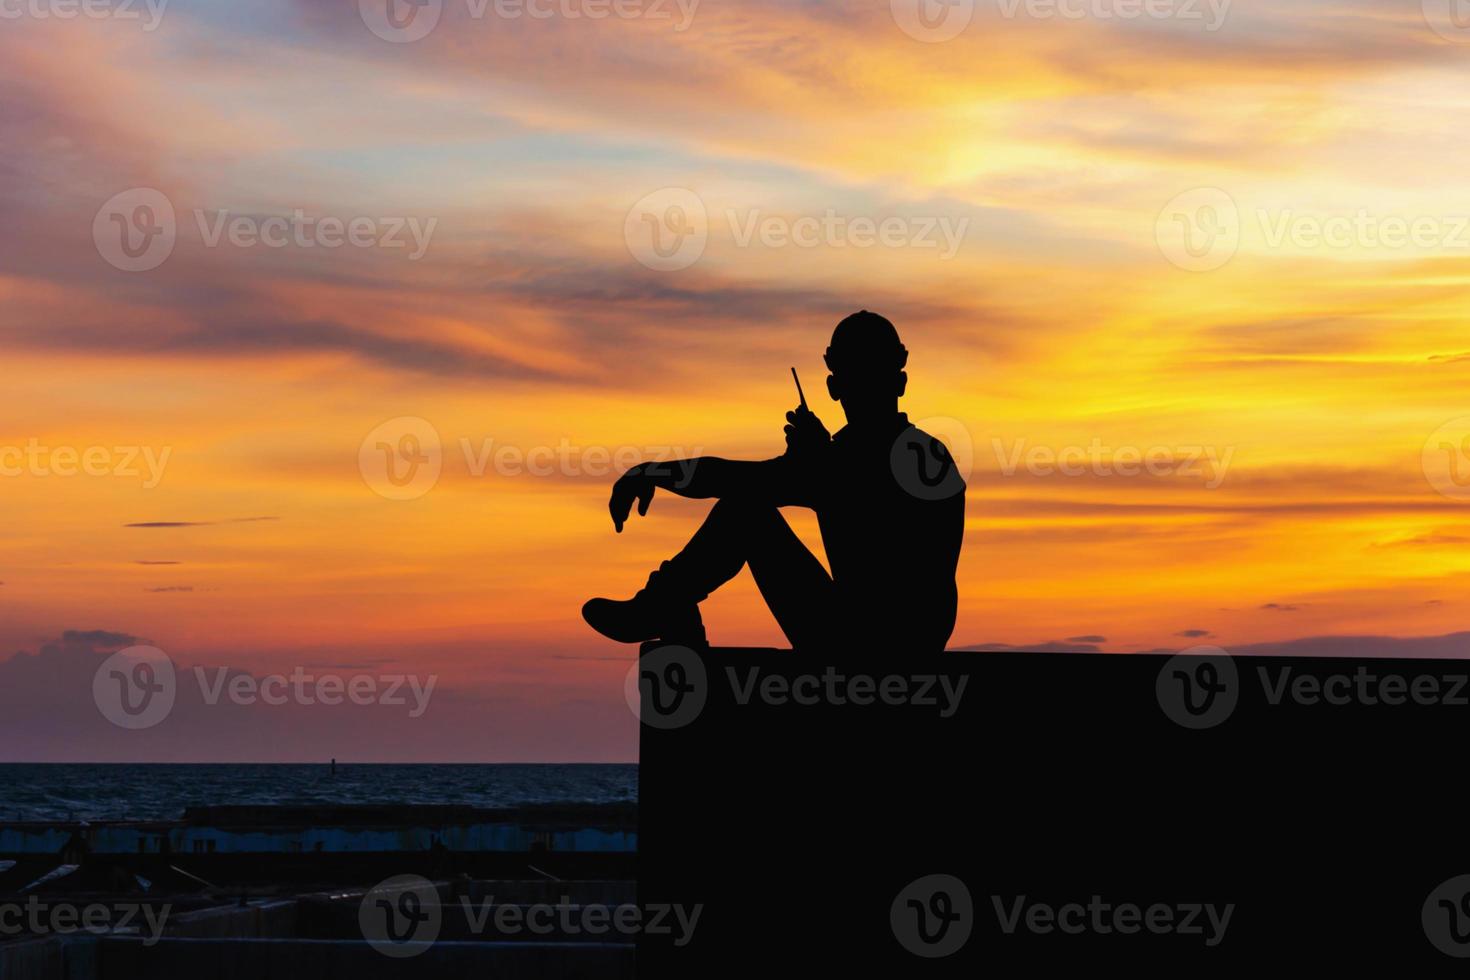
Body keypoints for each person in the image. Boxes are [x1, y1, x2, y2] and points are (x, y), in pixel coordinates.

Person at [582, 311, 965, 653]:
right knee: (745, 503)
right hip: (914, 640)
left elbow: (736, 480)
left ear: (835, 388)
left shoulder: (838, 463)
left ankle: (659, 606)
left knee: (743, 510)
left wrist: (652, 472)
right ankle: (664, 606)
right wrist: (812, 460)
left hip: (859, 643)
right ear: (900, 382)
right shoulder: (929, 455)